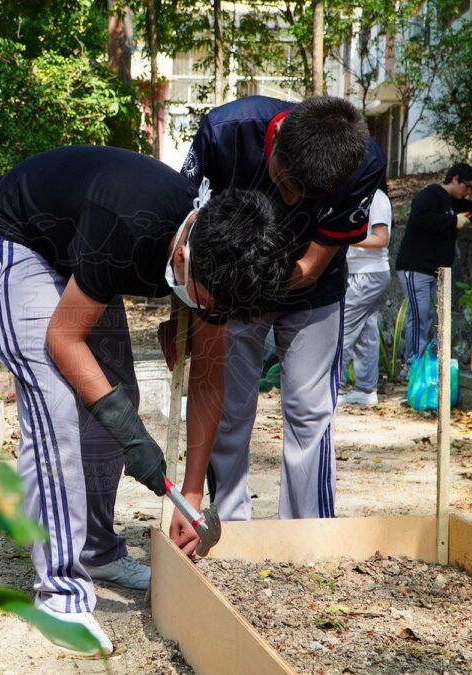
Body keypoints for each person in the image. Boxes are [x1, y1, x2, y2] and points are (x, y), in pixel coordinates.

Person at [0, 145, 292, 655]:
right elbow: (63, 339)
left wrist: (191, 494)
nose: (210, 314)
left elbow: (208, 381)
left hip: (83, 249)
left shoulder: (224, 259)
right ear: (184, 257)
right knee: (57, 408)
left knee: (118, 389)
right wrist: (131, 432)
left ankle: (96, 549)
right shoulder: (127, 226)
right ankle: (59, 593)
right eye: (206, 303)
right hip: (22, 241)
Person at [177, 95, 386, 529]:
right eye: (285, 183)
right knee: (230, 410)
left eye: (307, 197)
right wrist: (203, 303)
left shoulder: (362, 160)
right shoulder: (226, 133)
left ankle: (307, 533)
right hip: (232, 290)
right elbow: (184, 231)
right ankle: (229, 528)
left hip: (312, 292)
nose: (291, 200)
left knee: (310, 412)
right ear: (274, 145)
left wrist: (250, 282)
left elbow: (311, 267)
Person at [394, 163, 472, 364]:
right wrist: (452, 222)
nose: (467, 192)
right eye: (467, 186)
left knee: (439, 317)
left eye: (471, 189)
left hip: (437, 270)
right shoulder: (431, 194)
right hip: (415, 267)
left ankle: (432, 362)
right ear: (455, 179)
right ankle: (414, 365)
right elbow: (420, 218)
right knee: (420, 315)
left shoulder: (454, 203)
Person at [338, 188, 392, 406]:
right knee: (366, 333)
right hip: (366, 272)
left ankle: (334, 387)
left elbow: (381, 239)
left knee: (343, 328)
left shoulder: (376, 197)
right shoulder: (361, 195)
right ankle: (366, 389)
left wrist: (345, 238)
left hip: (368, 273)